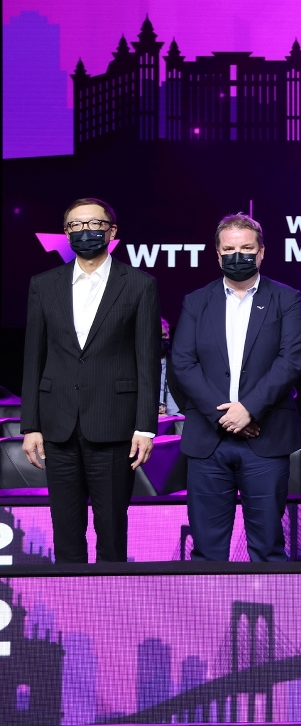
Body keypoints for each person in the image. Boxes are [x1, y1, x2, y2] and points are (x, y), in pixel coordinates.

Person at [21, 197, 159, 563]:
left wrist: (145, 427)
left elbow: (147, 362)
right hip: (58, 424)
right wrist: (31, 425)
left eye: (94, 224)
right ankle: (71, 596)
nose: (85, 232)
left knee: (111, 529)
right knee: (66, 529)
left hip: (114, 423)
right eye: (76, 226)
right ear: (66, 233)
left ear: (112, 231)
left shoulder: (139, 285)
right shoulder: (43, 284)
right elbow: (34, 358)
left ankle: (110, 595)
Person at [170, 213, 301, 562]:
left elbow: (291, 361)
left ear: (261, 252)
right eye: (229, 249)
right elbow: (183, 363)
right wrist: (225, 416)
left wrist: (248, 409)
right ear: (217, 254)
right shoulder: (196, 301)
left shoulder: (286, 299)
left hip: (266, 438)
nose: (238, 255)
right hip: (208, 442)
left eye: (246, 248)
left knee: (267, 549)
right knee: (207, 551)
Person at [158, 318, 182, 416]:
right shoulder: (138, 366)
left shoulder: (178, 363)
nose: (161, 339)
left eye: (164, 335)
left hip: (177, 417)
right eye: (157, 336)